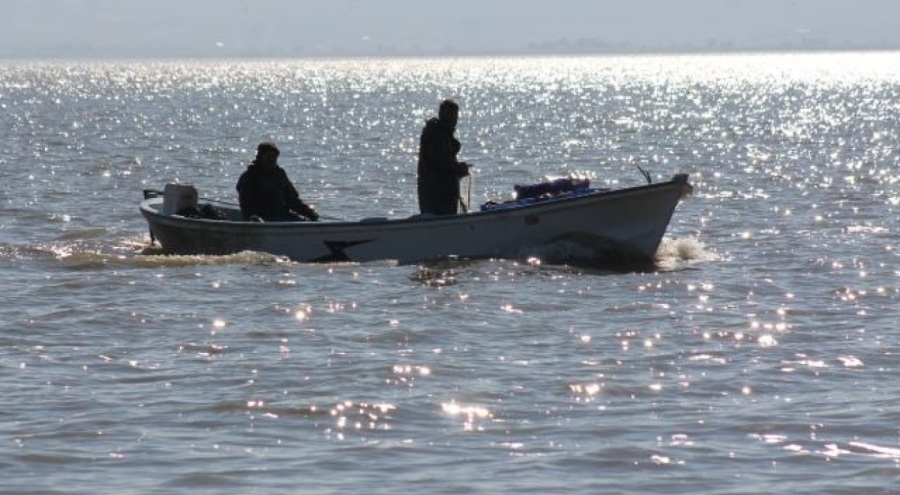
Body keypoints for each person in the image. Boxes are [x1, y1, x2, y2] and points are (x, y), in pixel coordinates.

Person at [236, 141, 319, 222]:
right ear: (260, 157)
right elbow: (246, 205)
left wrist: (309, 212)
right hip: (261, 219)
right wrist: (251, 218)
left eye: (274, 157)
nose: (272, 159)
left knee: (303, 221)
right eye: (268, 156)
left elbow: (292, 200)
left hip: (281, 216)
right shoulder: (249, 176)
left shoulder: (279, 174)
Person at [417, 99, 472, 215]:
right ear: (442, 114)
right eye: (450, 115)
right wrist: (458, 168)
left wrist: (458, 169)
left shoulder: (443, 135)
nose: (453, 119)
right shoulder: (436, 135)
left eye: (455, 116)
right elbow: (439, 162)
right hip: (436, 194)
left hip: (441, 192)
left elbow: (444, 162)